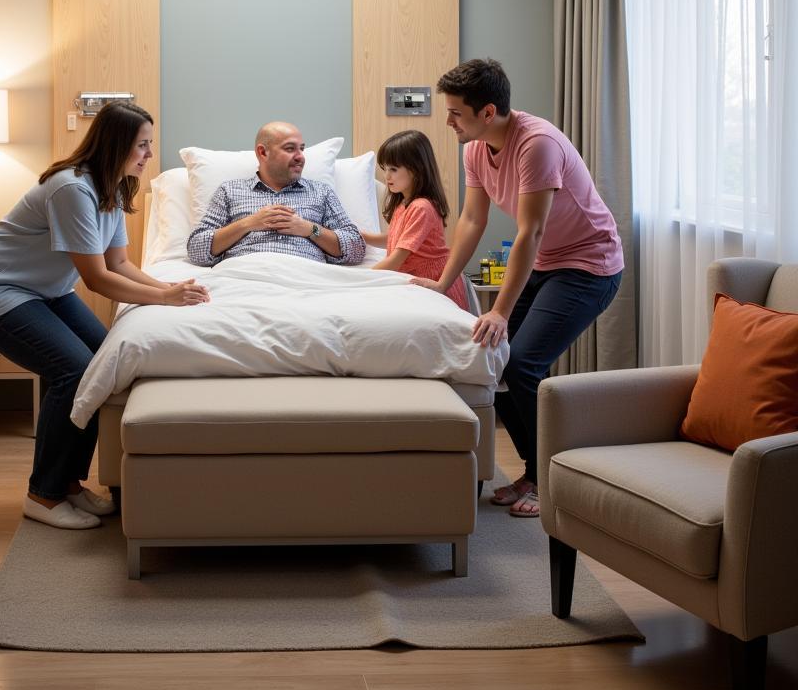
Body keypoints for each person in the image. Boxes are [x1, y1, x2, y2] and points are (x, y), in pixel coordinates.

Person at [0, 101, 210, 530]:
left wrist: (167, 289)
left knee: (103, 363)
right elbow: (96, 279)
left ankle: (70, 483)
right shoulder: (71, 188)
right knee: (74, 372)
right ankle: (43, 493)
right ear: (115, 145)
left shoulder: (112, 186)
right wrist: (164, 300)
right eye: (142, 146)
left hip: (45, 291)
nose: (149, 154)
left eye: (149, 144)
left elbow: (120, 265)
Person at [413, 59, 623, 518]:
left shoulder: (537, 145)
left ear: (488, 112)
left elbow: (531, 233)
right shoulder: (474, 148)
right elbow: (472, 219)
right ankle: (533, 471)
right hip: (547, 264)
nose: (448, 121)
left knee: (524, 363)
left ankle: (551, 481)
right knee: (500, 360)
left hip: (590, 266)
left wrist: (500, 313)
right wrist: (443, 282)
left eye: (455, 114)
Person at [186, 121, 365, 267]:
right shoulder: (230, 191)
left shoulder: (321, 192)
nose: (300, 156)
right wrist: (247, 224)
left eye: (301, 148)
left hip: (305, 279)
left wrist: (310, 230)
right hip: (245, 277)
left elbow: (356, 248)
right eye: (289, 149)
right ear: (263, 152)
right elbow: (197, 249)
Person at [360, 130, 471, 313]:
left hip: (433, 281)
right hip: (415, 280)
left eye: (393, 169)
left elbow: (397, 259)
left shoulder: (421, 207)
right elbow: (397, 239)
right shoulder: (403, 204)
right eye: (385, 169)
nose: (387, 176)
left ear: (415, 170)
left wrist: (362, 278)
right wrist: (365, 237)